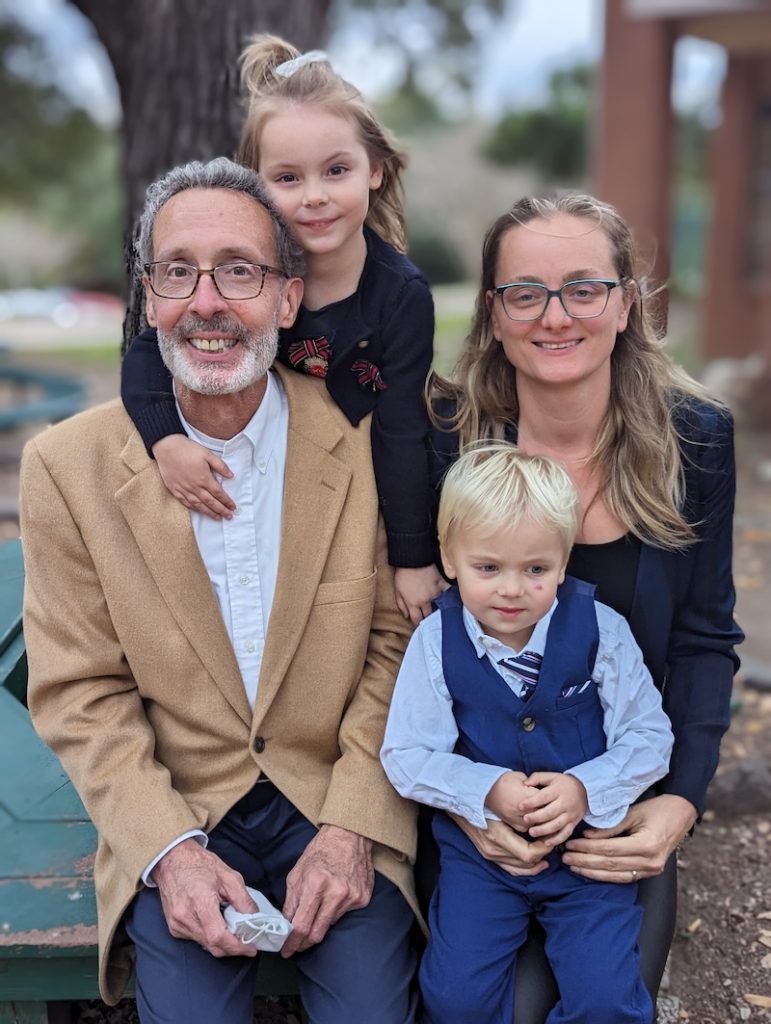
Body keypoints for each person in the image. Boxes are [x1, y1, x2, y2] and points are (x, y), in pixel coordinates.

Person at [20, 157, 420, 1024]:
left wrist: (351, 828)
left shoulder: (367, 446)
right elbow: (81, 689)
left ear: (286, 298)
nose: (206, 302)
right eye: (177, 271)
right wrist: (170, 851)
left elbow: (401, 643)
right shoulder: (67, 467)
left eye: (239, 269)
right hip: (180, 804)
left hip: (335, 794)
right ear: (148, 296)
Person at [426, 193, 744, 1022]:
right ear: (493, 315)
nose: (554, 315)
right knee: (476, 1002)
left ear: (624, 302)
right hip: (476, 812)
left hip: (616, 804)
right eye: (524, 292)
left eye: (582, 288)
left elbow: (706, 639)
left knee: (600, 1002)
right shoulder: (445, 442)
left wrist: (677, 802)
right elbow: (412, 641)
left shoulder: (695, 439)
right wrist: (463, 803)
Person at [121, 36, 445, 626]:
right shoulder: (248, 278)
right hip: (263, 469)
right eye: (289, 177)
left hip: (361, 480)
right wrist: (165, 440)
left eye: (337, 170)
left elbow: (401, 430)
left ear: (376, 169)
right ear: (257, 184)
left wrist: (413, 557)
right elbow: (150, 352)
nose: (315, 196)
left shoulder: (400, 296)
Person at [382, 443, 674, 1023]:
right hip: (482, 857)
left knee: (607, 998)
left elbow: (650, 735)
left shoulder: (600, 631)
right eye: (488, 568)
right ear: (449, 556)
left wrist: (585, 789)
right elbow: (407, 753)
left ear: (563, 562)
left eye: (536, 570)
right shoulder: (435, 644)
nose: (512, 590)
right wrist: (486, 789)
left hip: (589, 857)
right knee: (454, 996)